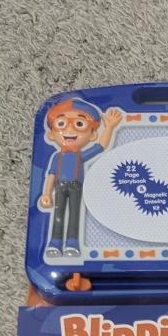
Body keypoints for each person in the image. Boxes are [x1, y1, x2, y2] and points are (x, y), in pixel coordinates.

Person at [39, 98, 122, 256]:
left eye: (79, 124)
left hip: (76, 187)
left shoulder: (80, 156)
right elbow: (51, 174)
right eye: (62, 123)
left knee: (74, 215)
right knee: (58, 214)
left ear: (92, 135)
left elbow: (100, 146)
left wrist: (109, 127)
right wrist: (47, 194)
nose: (70, 128)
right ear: (51, 134)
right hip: (60, 186)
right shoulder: (57, 156)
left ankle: (72, 243)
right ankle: (54, 243)